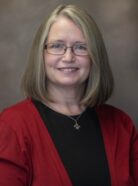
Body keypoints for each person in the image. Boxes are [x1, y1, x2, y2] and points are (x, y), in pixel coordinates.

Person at [0, 4, 137, 186]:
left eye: (81, 47)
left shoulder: (122, 125)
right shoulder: (12, 126)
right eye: (57, 46)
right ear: (41, 55)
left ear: (95, 56)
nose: (68, 57)